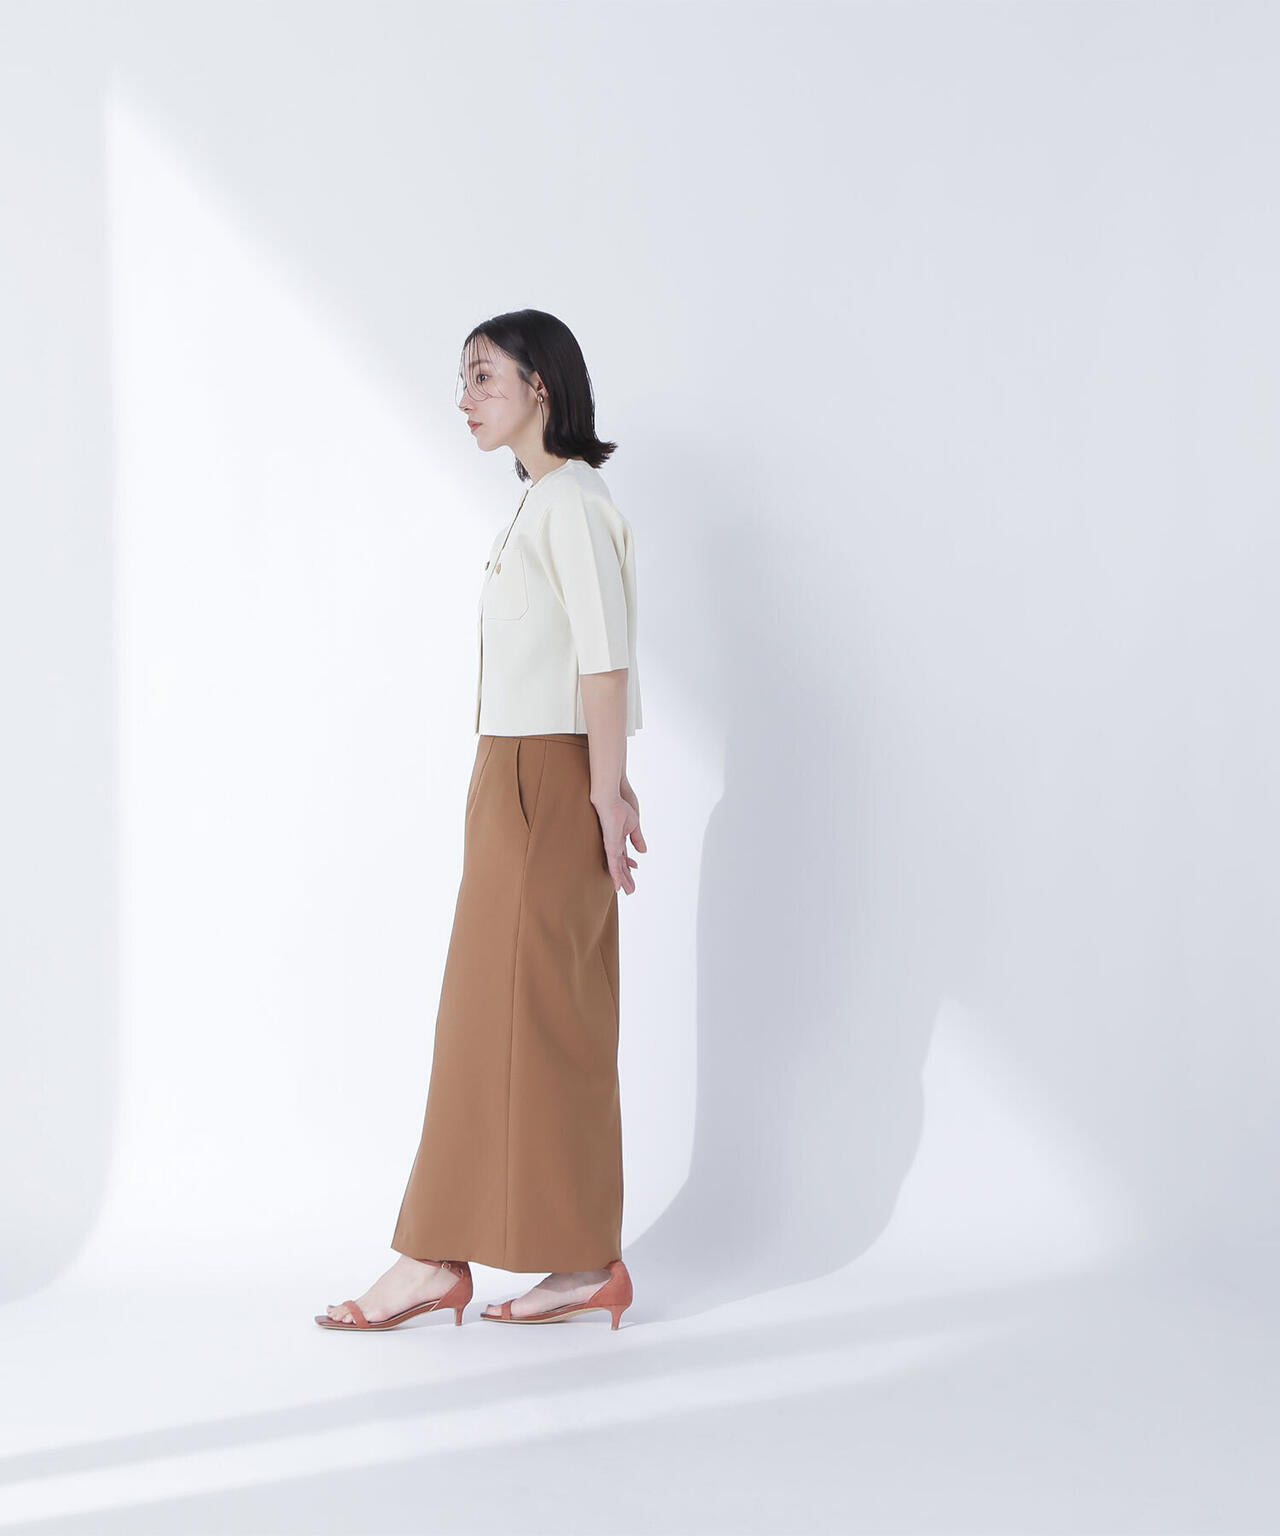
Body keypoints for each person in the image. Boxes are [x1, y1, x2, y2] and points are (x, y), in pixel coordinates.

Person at [315, 309, 645, 1332]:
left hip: (542, 782)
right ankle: (560, 1260)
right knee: (528, 1020)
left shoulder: (570, 501)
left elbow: (603, 663)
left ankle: (438, 1260)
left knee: (520, 1022)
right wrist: (601, 782)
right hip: (519, 775)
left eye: (482, 377)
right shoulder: (544, 502)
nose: (463, 398)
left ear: (539, 385)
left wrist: (604, 789)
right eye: (463, 379)